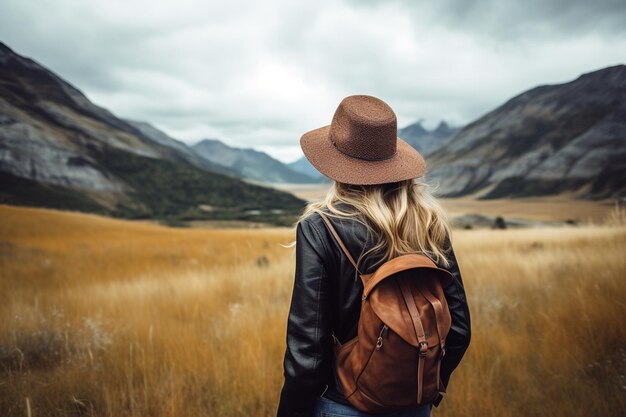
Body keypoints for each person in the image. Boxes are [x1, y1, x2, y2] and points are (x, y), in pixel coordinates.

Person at [276, 95, 471, 417]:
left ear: (336, 165)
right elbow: (460, 328)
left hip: (343, 403)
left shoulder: (320, 227)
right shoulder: (429, 224)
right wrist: (421, 388)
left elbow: (307, 348)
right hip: (416, 405)